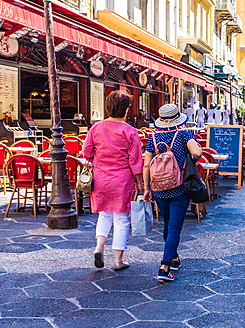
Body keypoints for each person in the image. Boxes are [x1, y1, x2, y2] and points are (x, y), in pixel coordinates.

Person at [143, 103, 205, 282]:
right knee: (175, 227)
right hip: (179, 188)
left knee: (168, 223)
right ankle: (164, 266)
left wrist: (147, 188)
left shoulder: (152, 139)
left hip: (159, 188)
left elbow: (146, 165)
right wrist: (188, 160)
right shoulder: (184, 134)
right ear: (177, 118)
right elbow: (198, 152)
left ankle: (174, 258)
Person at [83, 91, 143, 272]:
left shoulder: (96, 128)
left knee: (104, 215)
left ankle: (99, 248)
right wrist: (140, 182)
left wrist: (98, 160)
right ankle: (118, 260)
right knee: (122, 218)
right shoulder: (131, 132)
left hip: (100, 178)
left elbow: (86, 152)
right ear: (126, 110)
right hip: (122, 180)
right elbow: (135, 161)